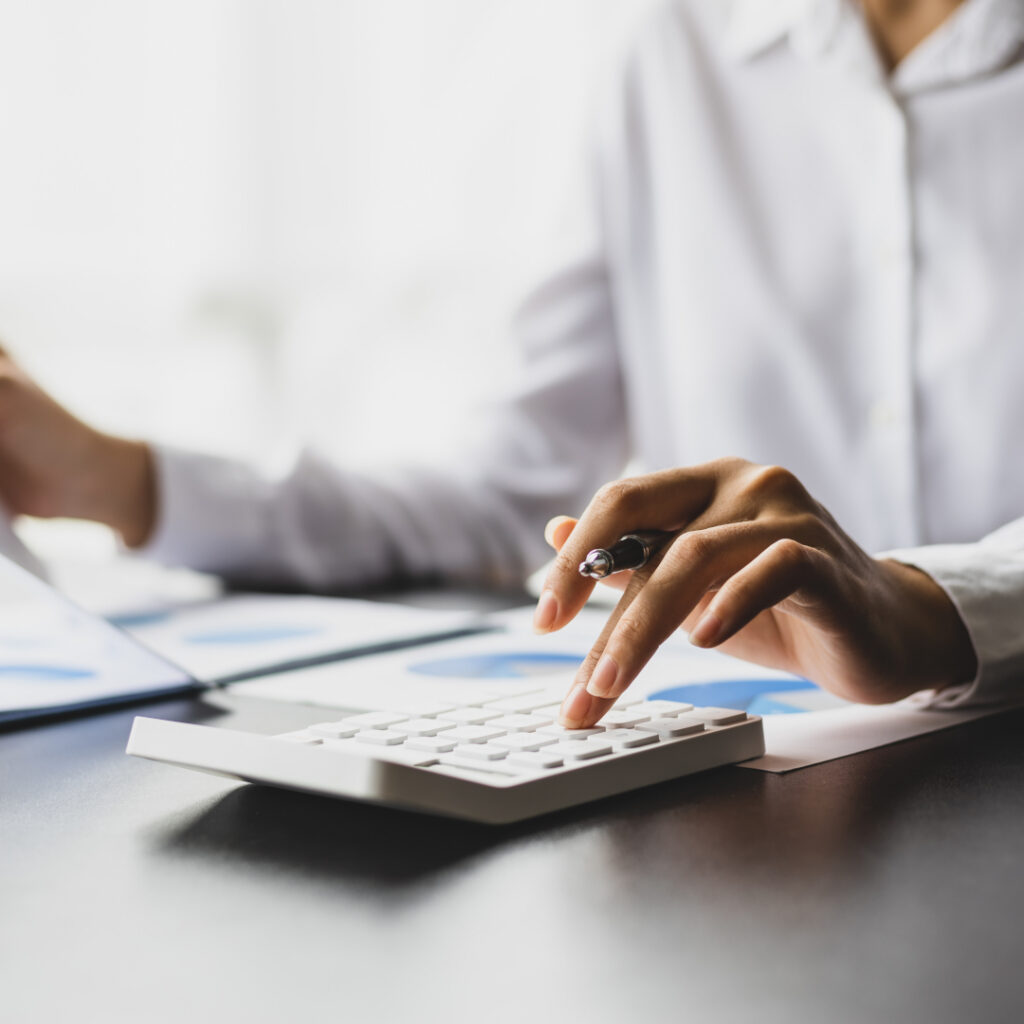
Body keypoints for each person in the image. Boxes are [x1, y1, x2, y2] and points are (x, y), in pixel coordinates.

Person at [1, 0, 1022, 730]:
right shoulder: (667, 49)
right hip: (770, 811)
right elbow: (511, 493)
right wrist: (124, 481)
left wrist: (932, 607)